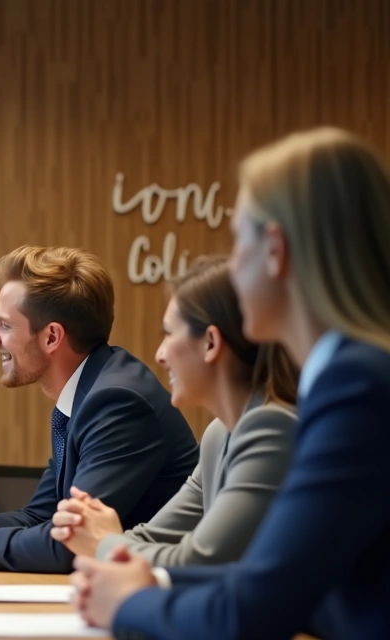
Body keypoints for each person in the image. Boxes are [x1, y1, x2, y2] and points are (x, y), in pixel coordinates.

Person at [72, 127, 390, 639]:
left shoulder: (357, 386)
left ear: (275, 250)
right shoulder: (354, 376)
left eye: (239, 238)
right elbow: (288, 587)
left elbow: (251, 611)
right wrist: (151, 579)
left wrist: (129, 602)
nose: (232, 265)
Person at [0, 246, 199, 573]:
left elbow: (72, 541)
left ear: (52, 337)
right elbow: (45, 515)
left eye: (5, 325)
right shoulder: (88, 391)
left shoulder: (117, 403)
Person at [49, 255, 298, 566]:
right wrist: (100, 537)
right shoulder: (218, 434)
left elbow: (198, 558)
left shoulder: (271, 428)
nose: (160, 354)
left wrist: (104, 543)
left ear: (210, 343)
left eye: (168, 333)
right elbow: (152, 537)